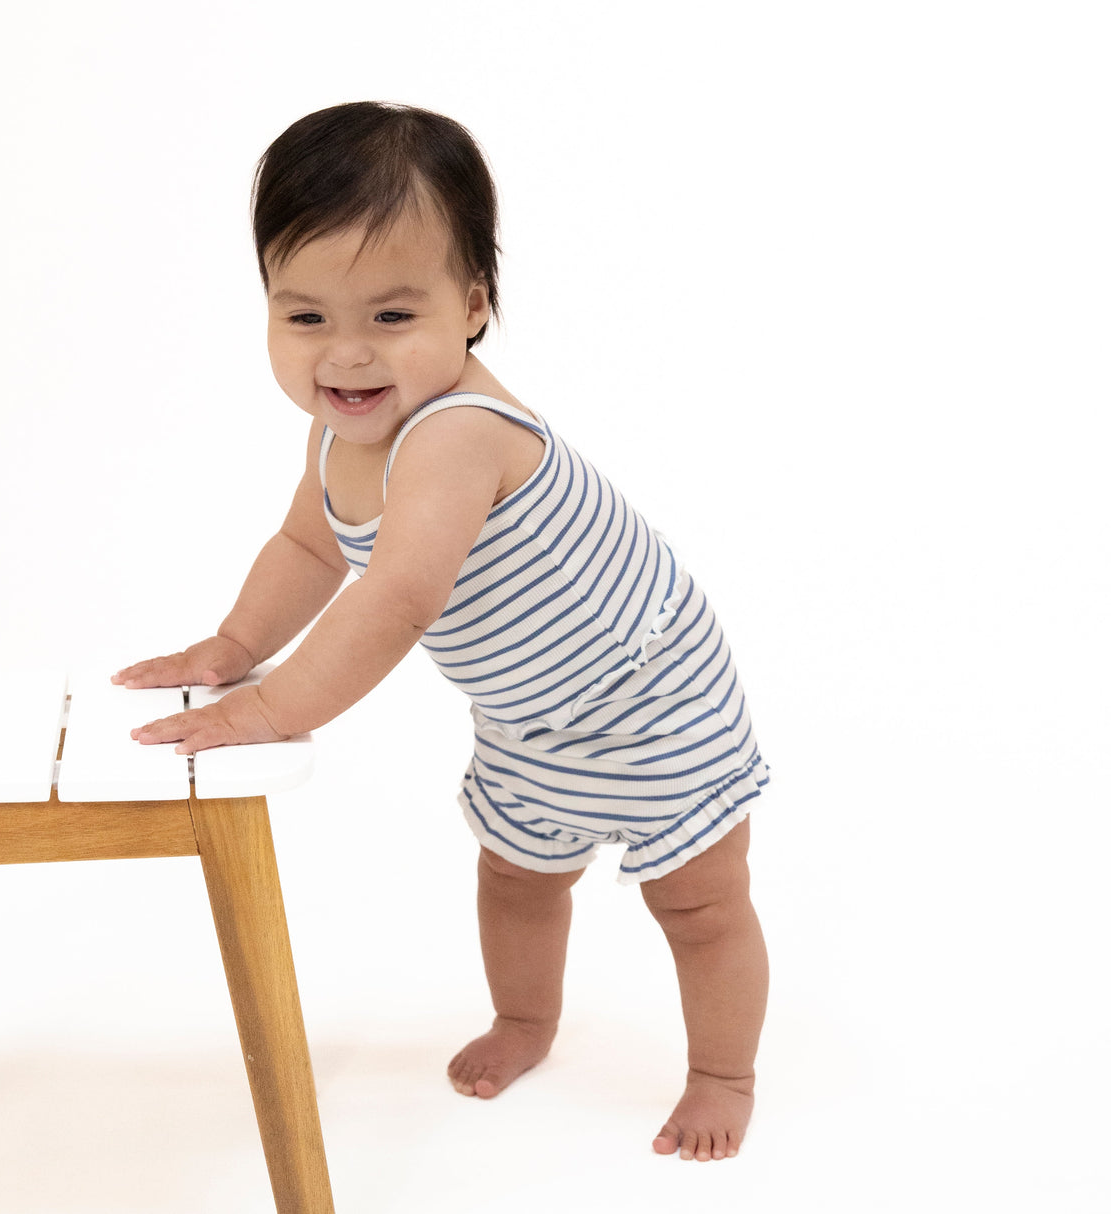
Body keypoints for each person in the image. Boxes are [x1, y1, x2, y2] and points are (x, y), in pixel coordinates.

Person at [114, 101, 771, 1163]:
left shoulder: (459, 431)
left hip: (652, 696)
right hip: (526, 715)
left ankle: (722, 1069)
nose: (346, 357)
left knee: (698, 901)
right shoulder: (336, 432)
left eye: (389, 316)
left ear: (470, 306)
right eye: (306, 318)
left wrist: (270, 707)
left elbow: (396, 598)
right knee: (512, 874)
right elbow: (308, 550)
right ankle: (526, 1020)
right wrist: (231, 649)